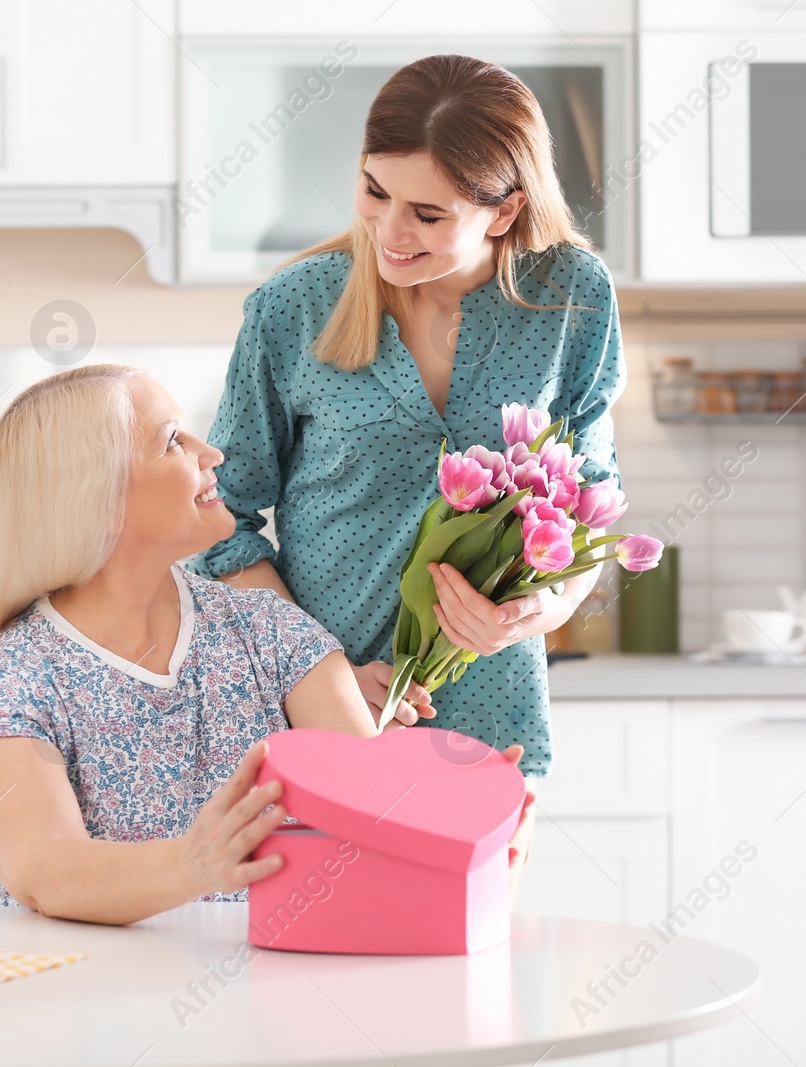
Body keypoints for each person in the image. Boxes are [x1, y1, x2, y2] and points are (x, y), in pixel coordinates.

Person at [187, 55, 627, 888]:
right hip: (319, 724)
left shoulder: (572, 298)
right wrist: (321, 678)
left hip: (492, 724)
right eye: (373, 191)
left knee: (467, 990)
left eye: (428, 212)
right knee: (318, 989)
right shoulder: (293, 309)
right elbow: (218, 519)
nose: (389, 231)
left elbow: (591, 512)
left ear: (506, 212)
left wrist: (539, 607)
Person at [0, 364, 528, 926]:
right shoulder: (4, 679)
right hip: (85, 1011)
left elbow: (367, 825)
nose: (212, 453)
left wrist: (466, 841)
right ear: (100, 497)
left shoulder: (273, 632)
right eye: (173, 442)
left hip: (274, 1000)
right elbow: (43, 870)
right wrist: (194, 863)